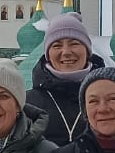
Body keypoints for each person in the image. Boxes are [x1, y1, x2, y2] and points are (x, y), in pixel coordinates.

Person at [25, 15, 103, 146]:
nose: (66, 52)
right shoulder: (28, 103)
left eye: (74, 44)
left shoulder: (106, 98)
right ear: (48, 54)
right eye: (57, 46)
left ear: (87, 51)